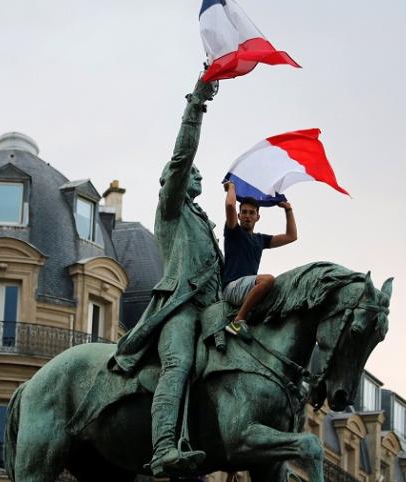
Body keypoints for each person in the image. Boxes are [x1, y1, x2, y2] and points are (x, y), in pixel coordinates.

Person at [108, 76, 221, 477]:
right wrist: (197, 105)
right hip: (179, 307)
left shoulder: (202, 221)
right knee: (178, 363)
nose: (200, 180)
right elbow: (182, 157)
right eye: (196, 175)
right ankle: (163, 448)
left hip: (212, 309)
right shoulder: (172, 207)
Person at [221, 181, 297, 331]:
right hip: (232, 287)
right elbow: (230, 205)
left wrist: (288, 210)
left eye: (251, 213)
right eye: (244, 212)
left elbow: (291, 236)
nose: (247, 216)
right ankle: (238, 321)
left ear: (257, 217)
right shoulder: (233, 231)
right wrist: (231, 187)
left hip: (248, 288)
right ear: (239, 215)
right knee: (268, 280)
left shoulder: (260, 240)